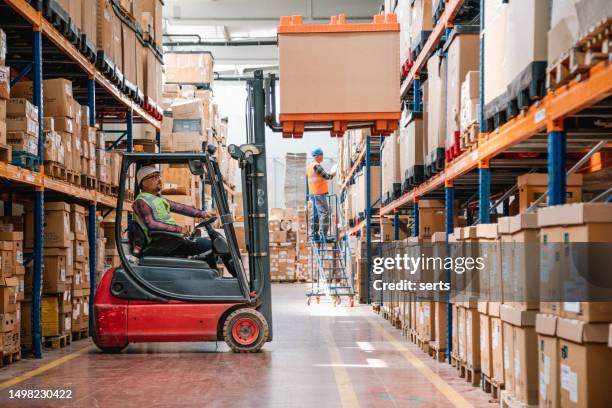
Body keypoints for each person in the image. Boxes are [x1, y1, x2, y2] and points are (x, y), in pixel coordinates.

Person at [133, 165, 217, 267]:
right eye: (154, 178)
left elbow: (180, 208)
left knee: (207, 244)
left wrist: (204, 214)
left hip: (170, 240)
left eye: (159, 177)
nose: (159, 180)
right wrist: (178, 229)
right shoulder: (141, 201)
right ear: (143, 182)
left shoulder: (159, 198)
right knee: (206, 245)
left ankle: (209, 274)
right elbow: (152, 224)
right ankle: (212, 275)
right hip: (160, 244)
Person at [307, 148, 336, 241]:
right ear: (318, 156)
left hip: (313, 193)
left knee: (315, 214)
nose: (323, 157)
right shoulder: (316, 166)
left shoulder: (310, 166)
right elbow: (326, 176)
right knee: (324, 213)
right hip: (319, 193)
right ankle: (323, 235)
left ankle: (314, 234)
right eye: (322, 155)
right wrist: (332, 174)